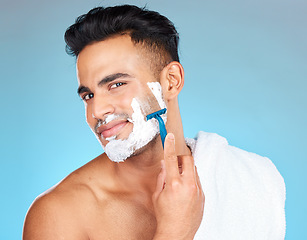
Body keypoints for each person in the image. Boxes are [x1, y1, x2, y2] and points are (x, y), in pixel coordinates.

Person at [23, 5, 285, 240]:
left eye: (116, 84)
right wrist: (175, 232)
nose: (97, 110)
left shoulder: (253, 177)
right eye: (88, 95)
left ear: (171, 81)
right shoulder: (59, 214)